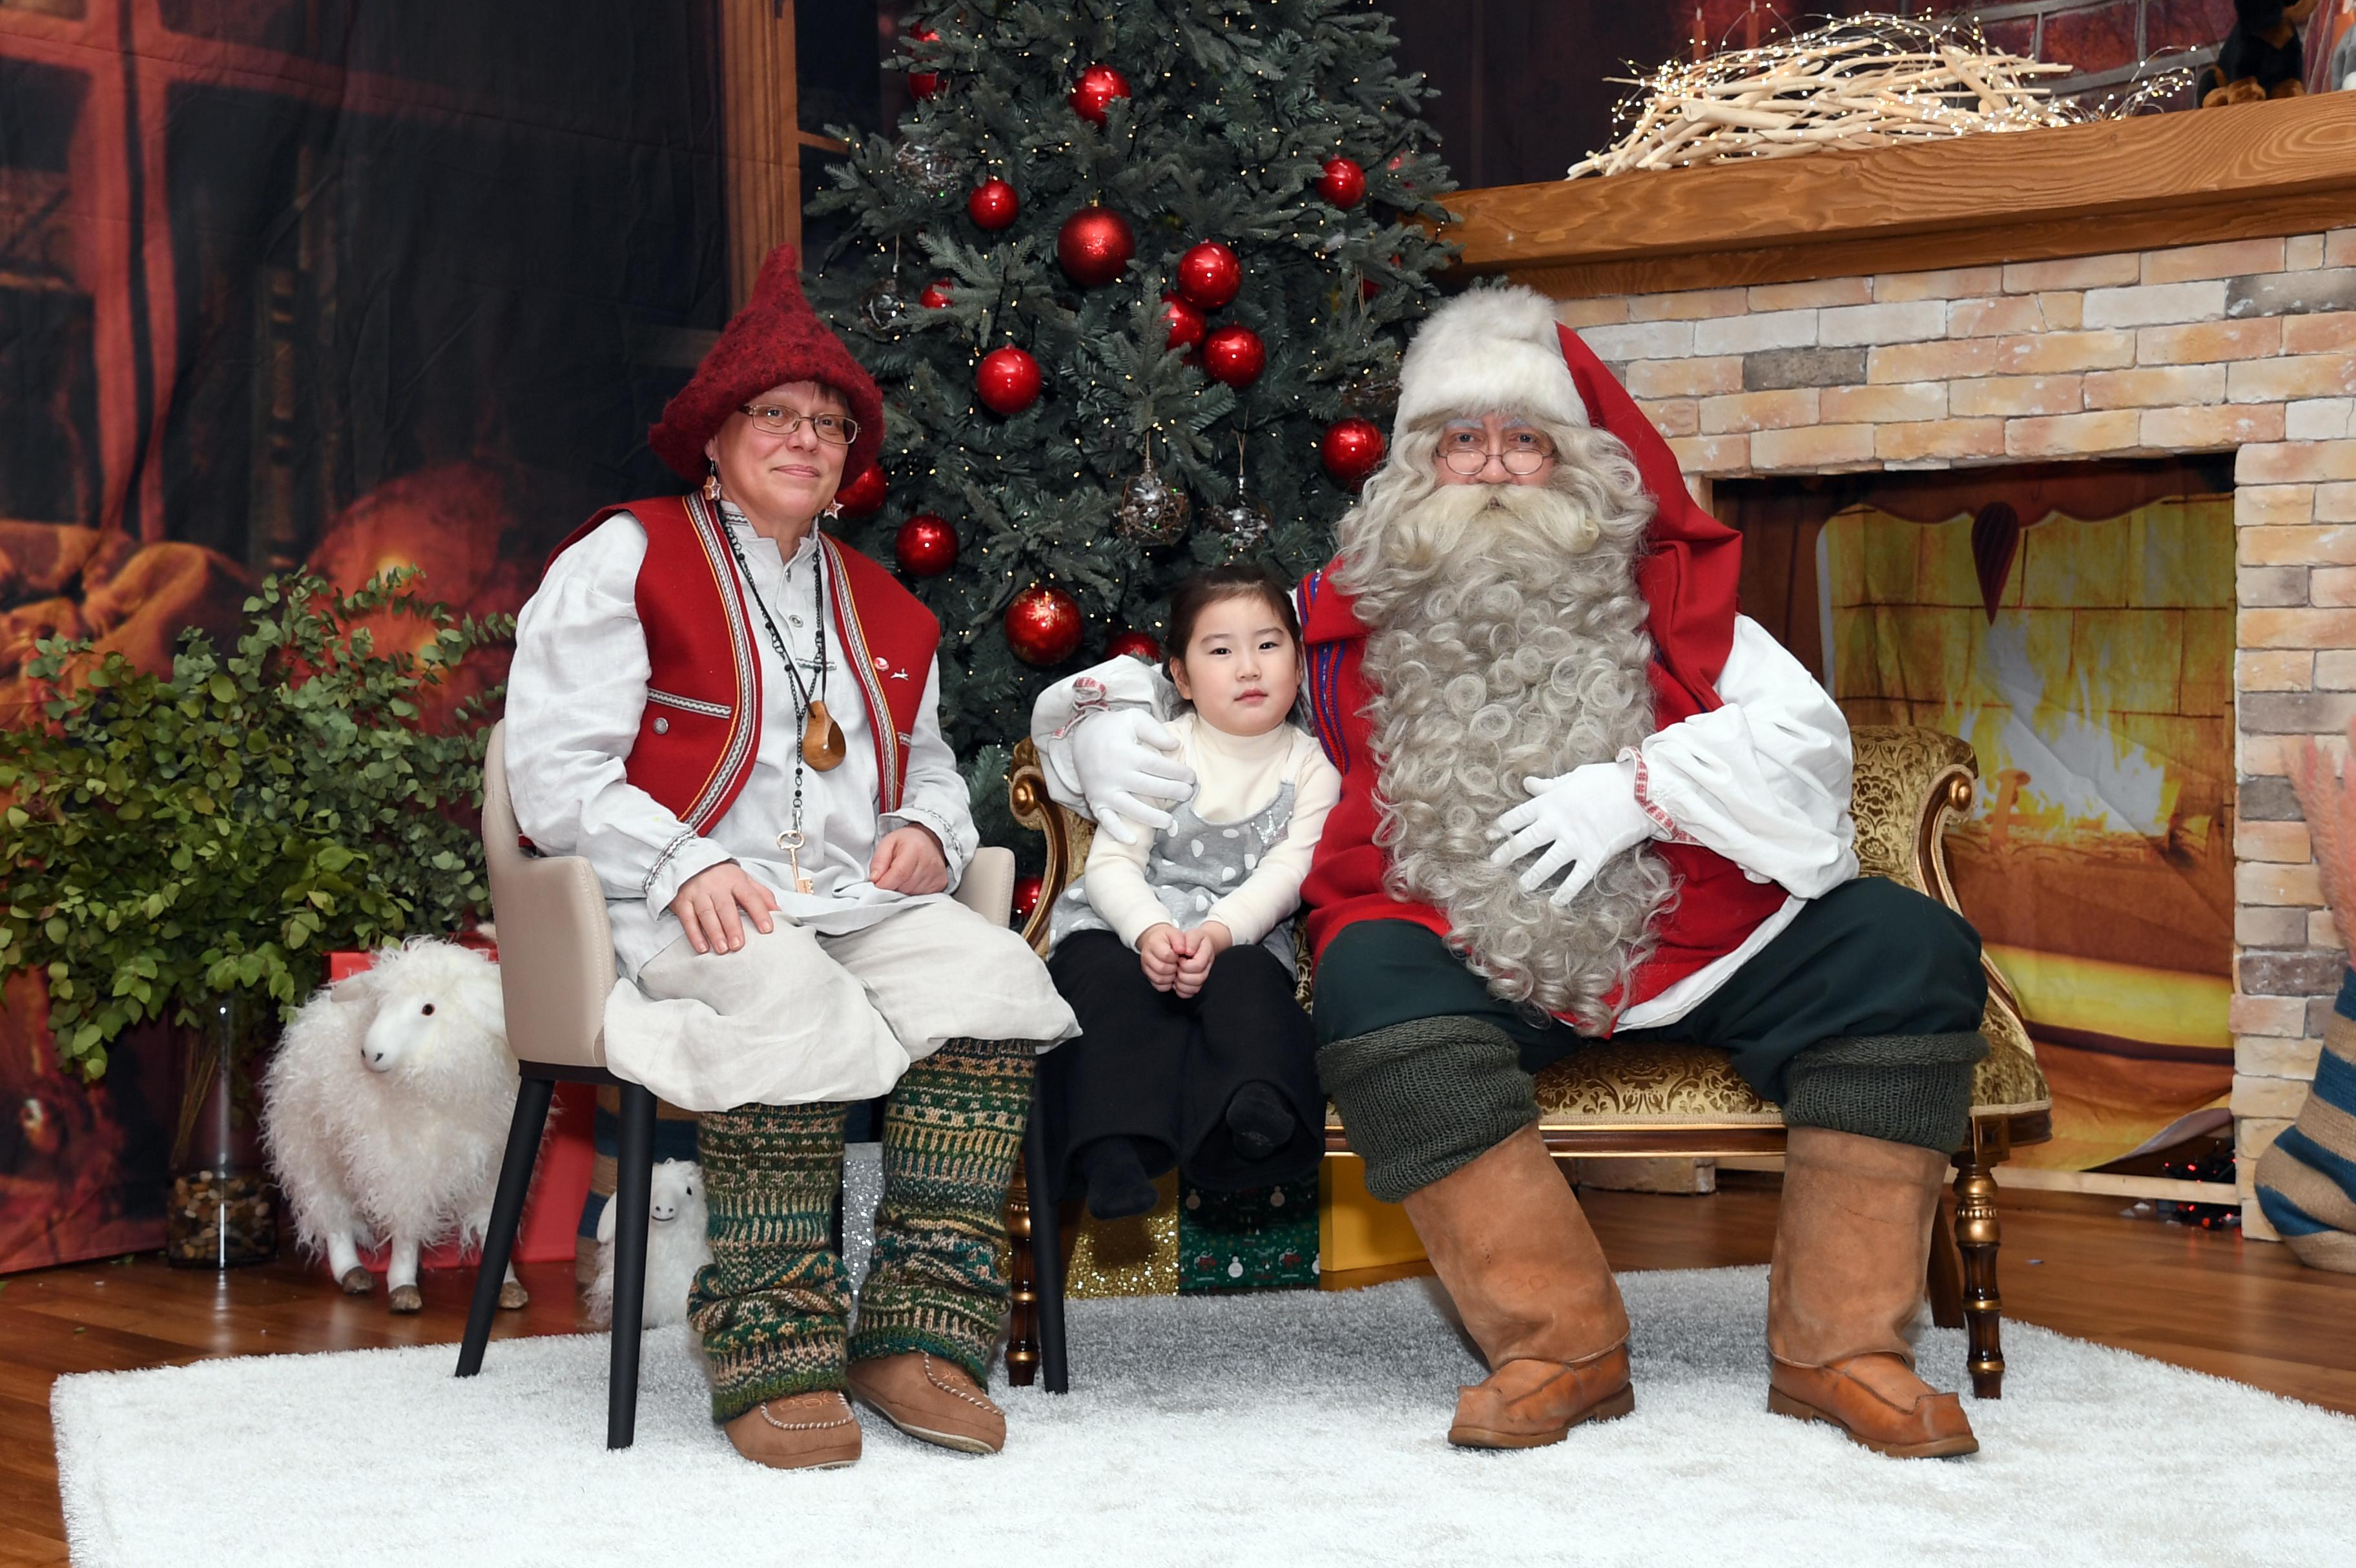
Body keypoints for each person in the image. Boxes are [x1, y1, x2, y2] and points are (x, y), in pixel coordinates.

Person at [1032, 285, 1990, 1460]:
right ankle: (1558, 1342)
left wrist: (1640, 792)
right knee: (1368, 974)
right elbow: (1169, 661)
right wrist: (1096, 723)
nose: (1490, 468)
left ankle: (1841, 1348)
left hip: (1698, 940)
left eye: (1523, 440)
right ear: (1416, 467)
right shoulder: (1335, 614)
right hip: (1463, 948)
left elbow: (1806, 744)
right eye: (1460, 439)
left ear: (1575, 462)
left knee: (1906, 946)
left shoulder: (1681, 601)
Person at [506, 245, 1077, 1472]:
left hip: (843, 896)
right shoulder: (623, 557)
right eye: (775, 414)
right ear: (713, 435)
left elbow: (925, 765)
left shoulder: (884, 605)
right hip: (671, 904)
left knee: (990, 986)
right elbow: (553, 772)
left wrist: (928, 828)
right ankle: (771, 1339)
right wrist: (679, 864)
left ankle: (918, 1333)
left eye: (828, 423)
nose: (805, 439)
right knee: (781, 990)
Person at [1038, 566, 1340, 1220]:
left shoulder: (1310, 765)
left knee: (1251, 987)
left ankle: (1256, 1105)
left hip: (1239, 929)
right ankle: (1111, 1146)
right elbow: (1114, 862)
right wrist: (1149, 930)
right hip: (1128, 921)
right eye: (1221, 650)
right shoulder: (1160, 747)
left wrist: (1219, 931)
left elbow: (1289, 871)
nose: (1248, 668)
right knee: (1103, 983)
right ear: (1180, 676)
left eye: (1268, 644)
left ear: (1298, 658)